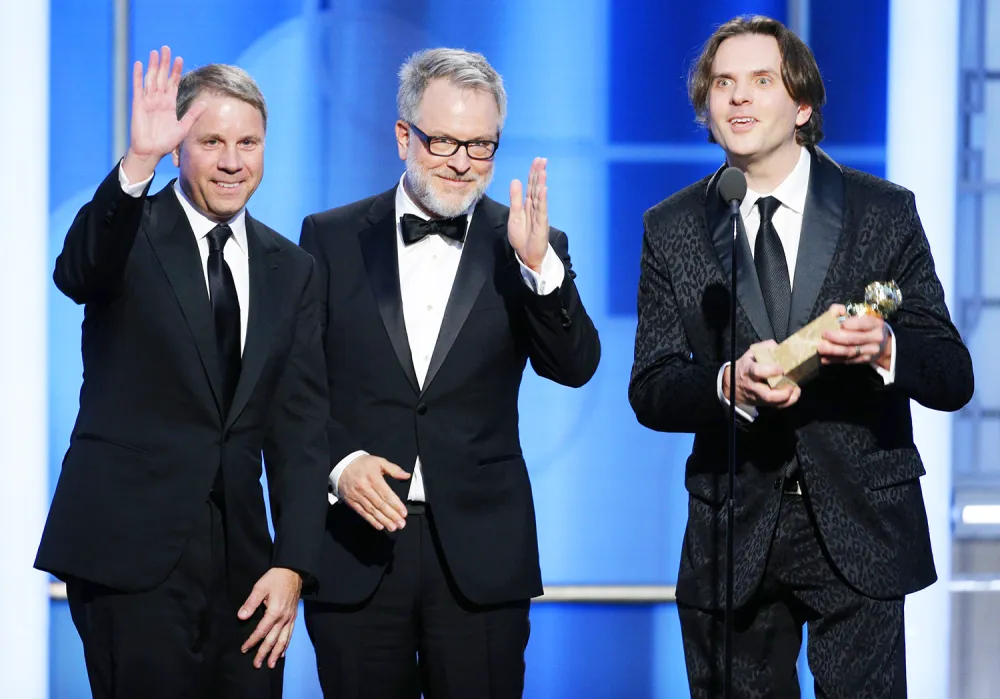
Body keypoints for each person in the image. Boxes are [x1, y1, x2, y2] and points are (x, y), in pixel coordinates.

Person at [628, 15, 974, 699]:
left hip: (863, 525)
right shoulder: (671, 227)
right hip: (732, 532)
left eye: (761, 81)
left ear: (803, 104)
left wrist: (884, 349)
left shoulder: (884, 212)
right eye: (723, 83)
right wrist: (727, 382)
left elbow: (952, 374)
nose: (738, 99)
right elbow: (653, 386)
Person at [298, 47, 601, 699]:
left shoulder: (527, 244)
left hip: (482, 557)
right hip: (355, 549)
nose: (463, 161)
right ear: (404, 135)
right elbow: (293, 388)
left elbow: (575, 367)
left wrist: (539, 269)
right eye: (445, 142)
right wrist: (338, 463)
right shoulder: (330, 236)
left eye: (482, 146)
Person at [35, 47, 330, 699]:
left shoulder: (293, 268)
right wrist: (135, 163)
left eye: (247, 141)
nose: (232, 160)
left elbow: (301, 430)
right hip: (130, 554)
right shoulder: (128, 233)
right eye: (212, 141)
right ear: (178, 149)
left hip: (248, 568)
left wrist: (293, 563)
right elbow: (76, 270)